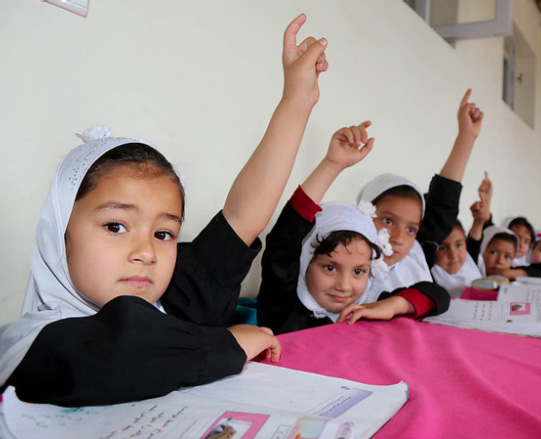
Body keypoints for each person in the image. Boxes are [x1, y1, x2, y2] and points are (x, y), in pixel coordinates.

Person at [0, 13, 328, 406]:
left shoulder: (171, 299)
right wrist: (226, 344)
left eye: (164, 233)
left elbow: (241, 220)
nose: (146, 252)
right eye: (116, 226)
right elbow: (118, 353)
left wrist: (296, 101)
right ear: (60, 236)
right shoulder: (28, 346)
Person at [258, 122, 446, 334]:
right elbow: (284, 238)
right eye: (330, 267)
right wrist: (331, 166)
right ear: (305, 261)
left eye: (358, 271)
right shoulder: (283, 303)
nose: (345, 286)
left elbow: (437, 295)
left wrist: (391, 305)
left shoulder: (368, 303)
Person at [359, 89, 483, 299]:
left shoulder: (415, 256)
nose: (398, 238)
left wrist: (467, 137)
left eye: (411, 229)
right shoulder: (345, 258)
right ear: (363, 214)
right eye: (388, 221)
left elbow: (442, 206)